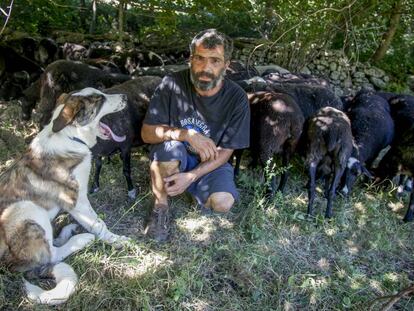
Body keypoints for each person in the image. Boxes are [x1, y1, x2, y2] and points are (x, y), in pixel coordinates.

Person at [141, 29, 250, 242]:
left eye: (215, 61)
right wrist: (186, 135)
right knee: (171, 149)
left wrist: (192, 175)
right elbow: (146, 133)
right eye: (199, 58)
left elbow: (226, 150)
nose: (205, 68)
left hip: (210, 160)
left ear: (227, 64)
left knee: (223, 203)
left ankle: (189, 186)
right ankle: (160, 207)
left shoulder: (237, 98)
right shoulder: (172, 84)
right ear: (191, 59)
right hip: (175, 152)